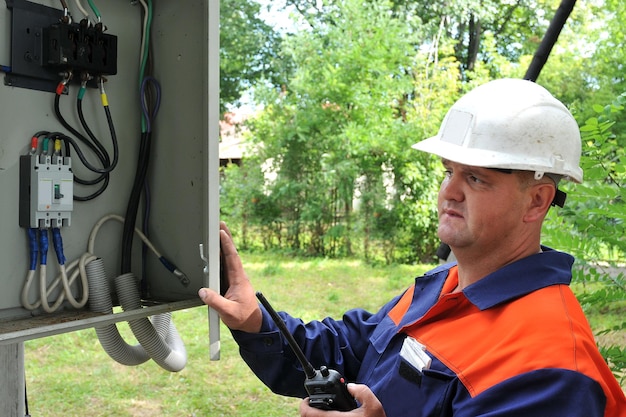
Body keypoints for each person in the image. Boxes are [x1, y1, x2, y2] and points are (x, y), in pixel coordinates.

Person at [199, 78, 626, 417]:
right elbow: (354, 349)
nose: (449, 193)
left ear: (538, 200)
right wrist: (256, 321)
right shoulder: (444, 286)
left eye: (476, 178)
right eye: (448, 172)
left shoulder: (549, 363)